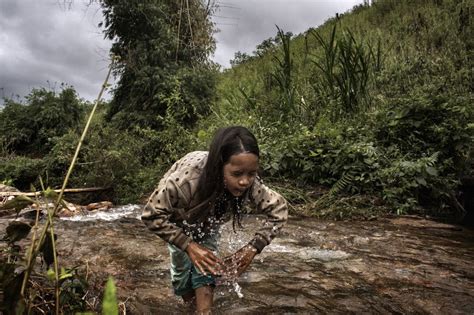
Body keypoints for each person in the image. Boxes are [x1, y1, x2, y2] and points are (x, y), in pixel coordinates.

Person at [141, 126, 288, 314]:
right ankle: (191, 306)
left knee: (206, 265)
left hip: (210, 218)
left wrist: (253, 248)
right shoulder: (185, 183)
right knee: (181, 277)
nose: (244, 182)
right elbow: (151, 215)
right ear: (219, 168)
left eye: (251, 174)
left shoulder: (251, 183)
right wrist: (188, 245)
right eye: (237, 174)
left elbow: (279, 211)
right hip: (178, 218)